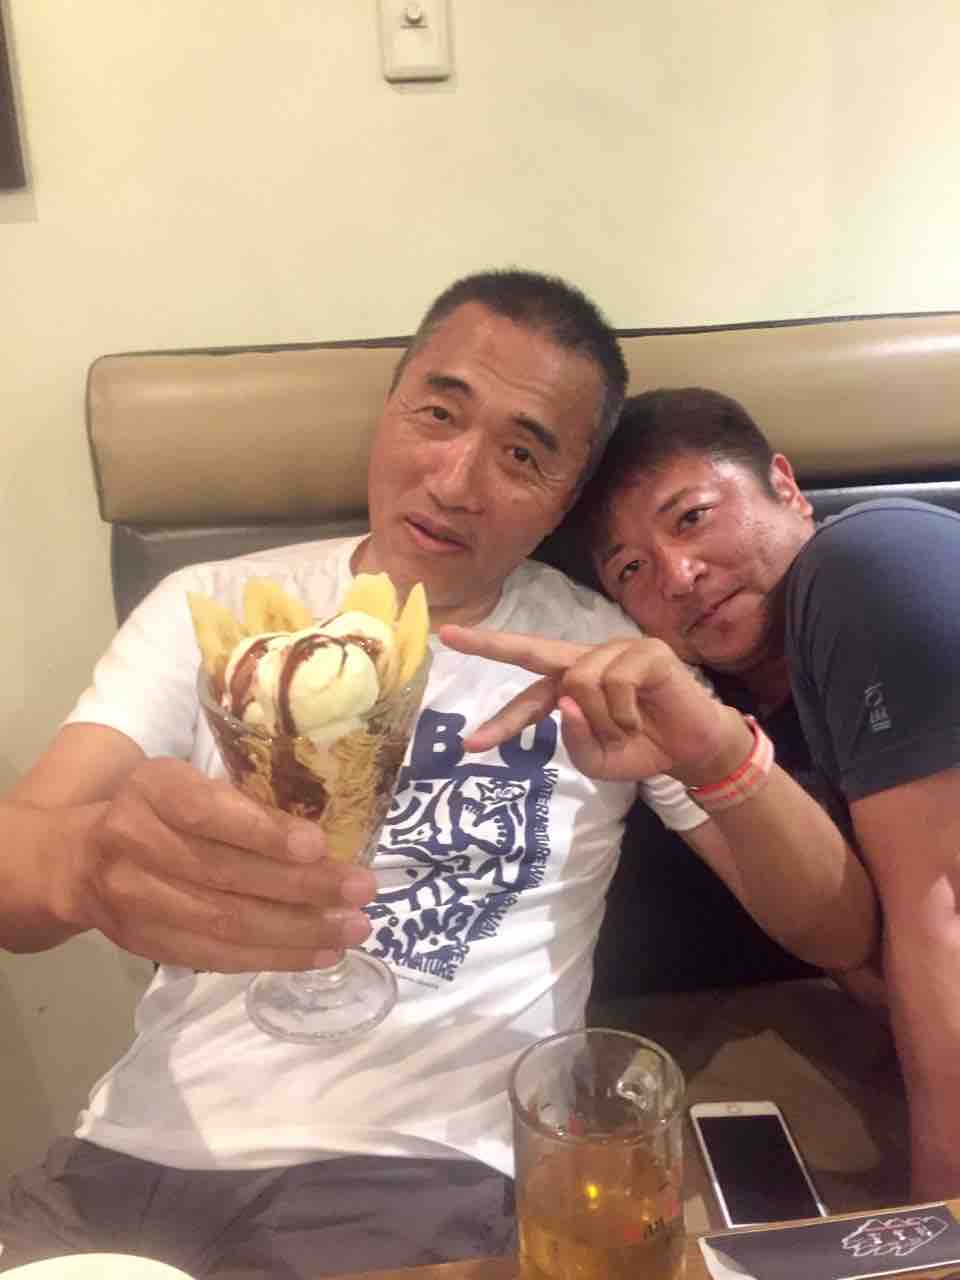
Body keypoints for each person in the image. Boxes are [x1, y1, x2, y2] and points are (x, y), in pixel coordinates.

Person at [0, 290, 873, 1277]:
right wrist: (85, 864)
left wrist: (714, 751)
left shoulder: (603, 653)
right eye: (438, 412)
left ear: (565, 498)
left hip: (418, 1178)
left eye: (523, 454)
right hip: (124, 1163)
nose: (455, 482)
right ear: (389, 411)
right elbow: (16, 878)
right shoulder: (215, 610)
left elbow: (839, 931)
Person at [448, 385, 960, 1201]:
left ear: (785, 487)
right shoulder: (734, 712)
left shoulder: (870, 563)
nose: (679, 577)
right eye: (632, 569)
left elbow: (944, 917)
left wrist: (941, 1225)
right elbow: (853, 946)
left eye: (691, 518)